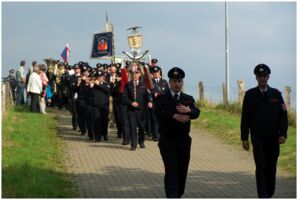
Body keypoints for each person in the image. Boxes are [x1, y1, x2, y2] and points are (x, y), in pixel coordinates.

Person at [240, 64, 288, 198]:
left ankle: (269, 193)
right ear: (256, 77)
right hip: (258, 138)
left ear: (268, 77)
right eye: (260, 76)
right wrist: (244, 138)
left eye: (264, 76)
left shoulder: (276, 95)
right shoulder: (250, 95)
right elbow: (245, 118)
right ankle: (263, 195)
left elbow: (283, 116)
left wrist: (283, 134)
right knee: (261, 167)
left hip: (273, 138)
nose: (262, 79)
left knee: (271, 168)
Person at [155, 67, 200, 198]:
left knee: (182, 171)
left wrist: (189, 111)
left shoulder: (188, 99)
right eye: (174, 81)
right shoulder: (162, 98)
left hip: (184, 141)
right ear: (169, 82)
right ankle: (172, 196)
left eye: (179, 81)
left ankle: (177, 194)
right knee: (171, 170)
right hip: (167, 140)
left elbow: (197, 113)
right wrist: (174, 116)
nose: (177, 84)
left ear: (182, 83)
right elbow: (157, 112)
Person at [122, 63, 153, 151]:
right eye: (133, 73)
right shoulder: (128, 85)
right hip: (131, 110)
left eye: (136, 73)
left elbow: (148, 96)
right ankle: (133, 144)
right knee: (132, 127)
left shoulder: (144, 85)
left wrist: (150, 102)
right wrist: (131, 103)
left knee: (142, 127)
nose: (134, 75)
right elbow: (124, 98)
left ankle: (141, 141)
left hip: (142, 110)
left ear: (140, 74)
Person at [149, 66, 169, 141]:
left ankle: (161, 134)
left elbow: (167, 91)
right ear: (152, 74)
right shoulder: (150, 82)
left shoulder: (164, 82)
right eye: (154, 73)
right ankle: (156, 136)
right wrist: (153, 94)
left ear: (159, 73)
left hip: (163, 104)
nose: (156, 74)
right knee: (155, 120)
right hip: (154, 103)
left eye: (157, 72)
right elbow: (148, 91)